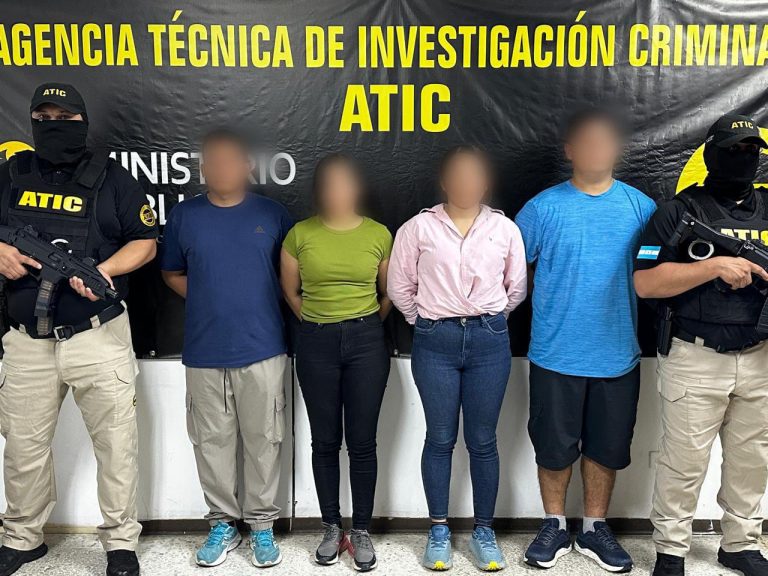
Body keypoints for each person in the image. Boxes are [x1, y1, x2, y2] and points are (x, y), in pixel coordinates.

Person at [0, 83, 158, 576]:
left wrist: (105, 270)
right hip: (26, 341)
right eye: (44, 117)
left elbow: (146, 240)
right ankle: (22, 538)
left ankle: (120, 544)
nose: (54, 126)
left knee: (116, 447)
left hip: (97, 336)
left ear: (83, 122)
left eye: (65, 118)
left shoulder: (112, 178)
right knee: (22, 448)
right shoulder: (11, 173)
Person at [515, 109, 656, 573]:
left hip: (617, 354)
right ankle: (554, 525)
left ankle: (595, 528)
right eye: (587, 142)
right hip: (555, 353)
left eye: (605, 141)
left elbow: (655, 273)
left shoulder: (641, 208)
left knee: (605, 448)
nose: (597, 149)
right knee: (553, 448)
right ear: (570, 151)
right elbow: (513, 271)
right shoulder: (541, 209)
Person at [634, 113, 768, 576]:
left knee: (752, 460)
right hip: (696, 355)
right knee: (684, 462)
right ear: (711, 154)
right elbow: (645, 283)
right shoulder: (676, 213)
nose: (744, 158)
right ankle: (671, 551)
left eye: (751, 151)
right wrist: (713, 268)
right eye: (733, 150)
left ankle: (740, 544)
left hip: (760, 357)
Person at [388, 146, 526, 572]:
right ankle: (438, 531)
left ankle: (484, 532)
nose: (467, 183)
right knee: (440, 438)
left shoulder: (504, 229)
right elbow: (399, 287)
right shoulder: (418, 228)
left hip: (489, 341)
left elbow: (516, 287)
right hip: (435, 342)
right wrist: (428, 323)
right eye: (458, 175)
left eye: (475, 176)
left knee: (483, 441)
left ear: (485, 184)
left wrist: (489, 321)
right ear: (445, 183)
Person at [161, 129, 292, 569]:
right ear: (202, 168)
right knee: (211, 443)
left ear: (247, 166)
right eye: (211, 161)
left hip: (263, 348)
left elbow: (290, 277)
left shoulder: (272, 215)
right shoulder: (185, 216)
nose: (220, 168)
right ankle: (222, 524)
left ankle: (261, 526)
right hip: (204, 350)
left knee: (264, 440)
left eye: (229, 159)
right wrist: (208, 298)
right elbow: (172, 273)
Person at [281, 154, 392, 572]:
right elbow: (291, 291)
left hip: (367, 341)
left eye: (345, 183)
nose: (337, 192)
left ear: (356, 189)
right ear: (319, 190)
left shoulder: (379, 234)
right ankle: (331, 526)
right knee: (324, 441)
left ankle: (360, 529)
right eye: (329, 184)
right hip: (316, 342)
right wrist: (318, 322)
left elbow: (389, 293)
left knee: (362, 442)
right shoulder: (299, 234)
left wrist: (363, 323)